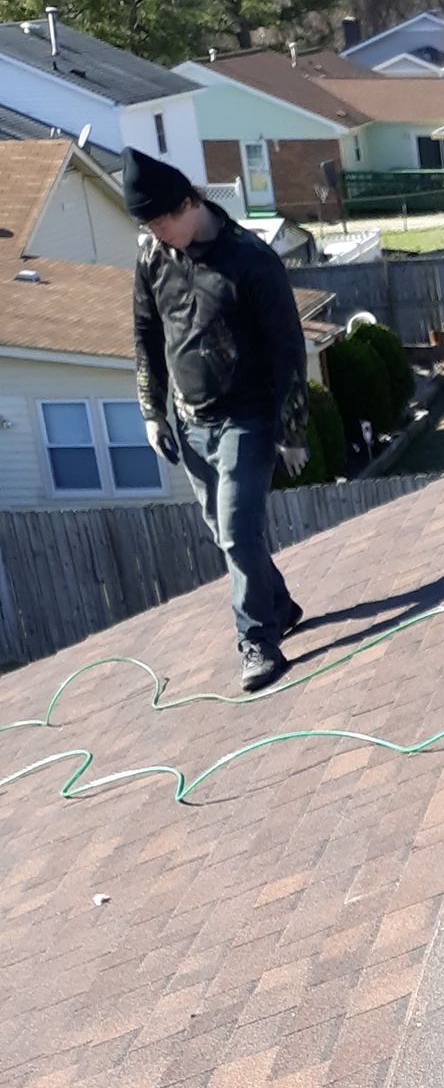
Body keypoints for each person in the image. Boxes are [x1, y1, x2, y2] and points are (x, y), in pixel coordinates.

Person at [127, 147, 310, 691]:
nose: (157, 234)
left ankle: (258, 643)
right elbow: (145, 334)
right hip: (189, 423)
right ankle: (278, 605)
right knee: (226, 532)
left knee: (235, 530)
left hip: (246, 418)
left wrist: (292, 431)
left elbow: (288, 350)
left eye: (162, 222)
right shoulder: (153, 257)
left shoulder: (251, 260)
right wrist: (152, 412)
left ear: (188, 203)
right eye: (148, 226)